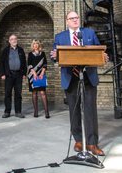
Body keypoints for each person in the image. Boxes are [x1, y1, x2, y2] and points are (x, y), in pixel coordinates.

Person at [50, 11, 106, 156]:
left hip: (88, 75)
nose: (75, 20)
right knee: (74, 110)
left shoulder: (89, 33)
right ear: (67, 21)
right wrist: (54, 56)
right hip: (70, 76)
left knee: (90, 110)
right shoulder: (60, 37)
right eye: (72, 18)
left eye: (77, 18)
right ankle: (78, 140)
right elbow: (55, 57)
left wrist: (104, 56)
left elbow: (99, 51)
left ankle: (92, 143)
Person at [0, 34, 27, 118]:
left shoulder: (21, 50)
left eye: (15, 39)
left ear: (17, 40)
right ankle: (7, 111)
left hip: (19, 75)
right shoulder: (6, 50)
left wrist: (24, 73)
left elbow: (24, 63)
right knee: (8, 94)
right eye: (12, 39)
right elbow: (1, 63)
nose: (14, 40)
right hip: (8, 75)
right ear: (9, 41)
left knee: (18, 94)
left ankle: (18, 112)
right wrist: (2, 74)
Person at [27, 40, 50, 118]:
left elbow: (45, 64)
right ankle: (36, 111)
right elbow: (29, 65)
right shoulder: (30, 54)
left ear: (39, 45)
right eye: (34, 44)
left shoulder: (42, 53)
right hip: (32, 75)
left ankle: (47, 112)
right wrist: (34, 73)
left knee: (43, 93)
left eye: (37, 44)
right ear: (32, 46)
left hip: (41, 75)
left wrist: (42, 73)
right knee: (34, 93)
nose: (35, 45)